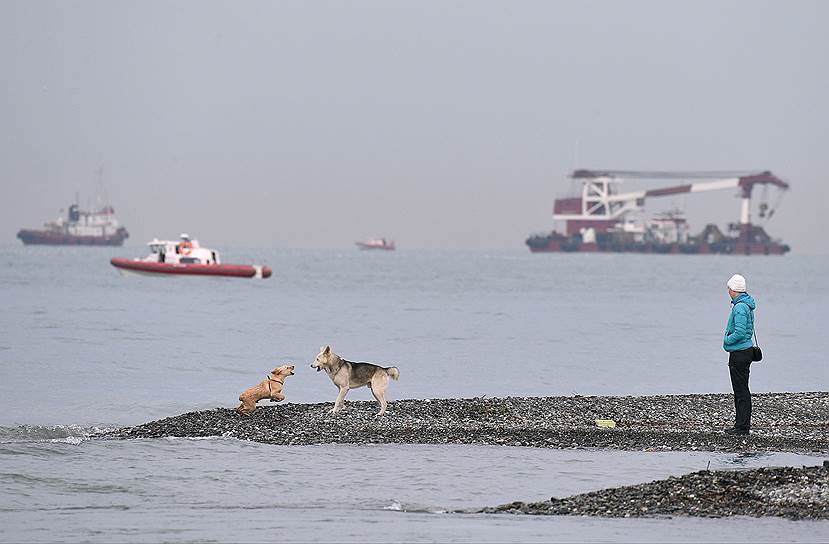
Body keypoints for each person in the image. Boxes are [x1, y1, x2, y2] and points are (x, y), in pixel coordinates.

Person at [723, 273, 756, 435]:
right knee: (741, 389)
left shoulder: (740, 307)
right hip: (745, 351)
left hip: (740, 352)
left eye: (729, 288)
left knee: (741, 390)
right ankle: (741, 424)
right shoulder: (745, 304)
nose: (728, 291)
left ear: (734, 289)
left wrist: (727, 340)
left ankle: (742, 426)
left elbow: (740, 332)